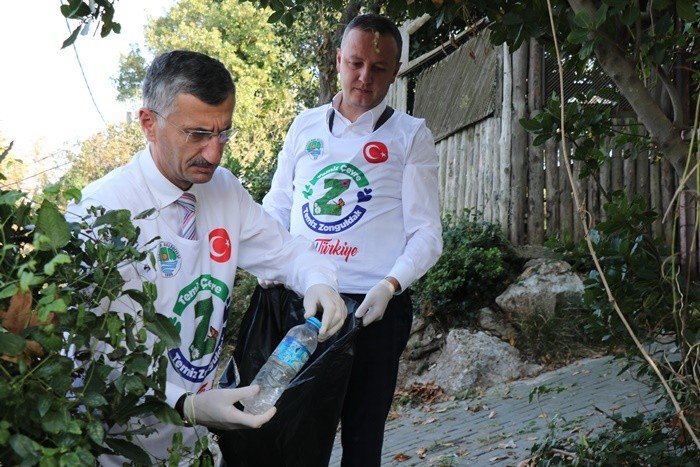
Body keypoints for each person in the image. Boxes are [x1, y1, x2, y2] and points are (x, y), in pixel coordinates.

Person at [67, 50, 348, 466]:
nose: (214, 155)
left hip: (197, 448)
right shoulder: (102, 214)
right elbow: (95, 360)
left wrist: (319, 279)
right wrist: (185, 404)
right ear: (148, 123)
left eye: (223, 134)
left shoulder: (223, 190)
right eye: (197, 134)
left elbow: (286, 252)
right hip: (117, 452)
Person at [260, 14, 443, 466]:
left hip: (373, 314)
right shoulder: (304, 126)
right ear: (338, 60)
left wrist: (390, 285)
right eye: (356, 63)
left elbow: (427, 233)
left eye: (379, 68)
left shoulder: (410, 136)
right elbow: (278, 203)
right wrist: (268, 259)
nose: (365, 77)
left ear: (396, 70)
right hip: (299, 304)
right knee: (286, 429)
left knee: (362, 439)